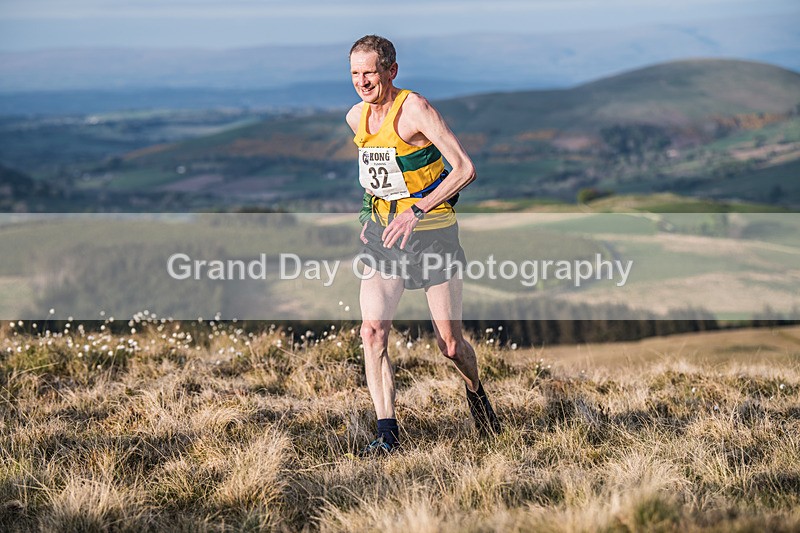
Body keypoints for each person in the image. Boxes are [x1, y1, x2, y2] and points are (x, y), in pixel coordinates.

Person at [345, 35, 501, 456]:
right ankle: (387, 435)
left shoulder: (414, 109)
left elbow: (464, 168)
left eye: (370, 73)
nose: (362, 81)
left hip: (432, 234)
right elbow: (374, 174)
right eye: (356, 73)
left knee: (449, 346)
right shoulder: (355, 118)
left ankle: (477, 394)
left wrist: (416, 210)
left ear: (391, 71)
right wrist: (367, 213)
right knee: (372, 331)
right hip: (384, 238)